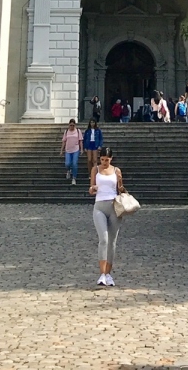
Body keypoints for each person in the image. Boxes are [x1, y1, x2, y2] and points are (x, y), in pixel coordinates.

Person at [88, 146, 127, 287]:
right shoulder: (95, 170)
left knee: (112, 241)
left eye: (107, 160)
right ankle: (102, 274)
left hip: (114, 206)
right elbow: (91, 188)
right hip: (99, 206)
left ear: (111, 159)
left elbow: (121, 190)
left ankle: (108, 273)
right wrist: (93, 189)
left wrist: (121, 184)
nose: (104, 162)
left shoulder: (116, 171)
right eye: (102, 159)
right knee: (103, 239)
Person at [61, 119, 83, 185]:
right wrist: (61, 150)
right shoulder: (66, 131)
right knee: (67, 163)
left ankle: (74, 178)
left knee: (74, 163)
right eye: (70, 125)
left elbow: (80, 141)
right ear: (69, 125)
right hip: (68, 150)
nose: (72, 127)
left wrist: (81, 149)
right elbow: (64, 141)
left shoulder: (78, 131)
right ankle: (68, 170)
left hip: (76, 149)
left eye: (73, 125)